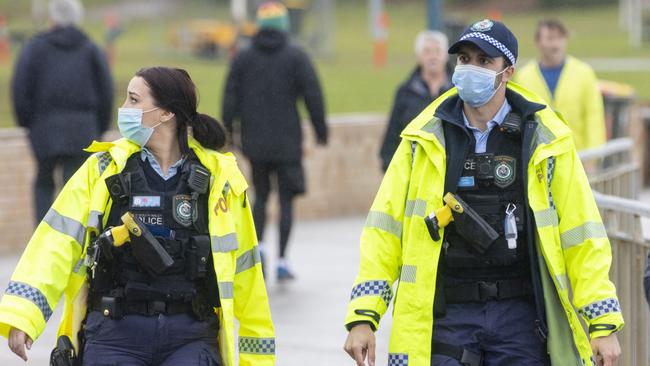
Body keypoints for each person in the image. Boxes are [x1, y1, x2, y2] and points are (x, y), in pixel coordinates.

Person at [343, 19, 623, 366]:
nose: (470, 68)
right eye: (464, 59)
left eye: (483, 61)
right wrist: (362, 317)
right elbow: (384, 233)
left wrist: (602, 324)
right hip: (448, 317)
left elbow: (582, 236)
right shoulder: (424, 139)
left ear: (507, 72)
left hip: (520, 318)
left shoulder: (545, 140)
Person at [0, 66, 275, 365]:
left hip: (191, 338)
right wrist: (24, 314)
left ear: (166, 113)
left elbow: (248, 274)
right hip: (114, 335)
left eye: (133, 100)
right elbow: (55, 242)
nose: (124, 109)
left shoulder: (220, 179)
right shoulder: (102, 169)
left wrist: (257, 358)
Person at [222, 1, 328, 281]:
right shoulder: (296, 56)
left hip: (254, 140)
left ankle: (262, 250)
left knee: (260, 196)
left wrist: (228, 131)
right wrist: (320, 130)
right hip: (287, 141)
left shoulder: (244, 58)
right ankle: (282, 259)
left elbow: (229, 95)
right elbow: (312, 94)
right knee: (286, 200)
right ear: (284, 26)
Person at [11, 0, 114, 224]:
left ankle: (43, 238)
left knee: (43, 182)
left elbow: (20, 89)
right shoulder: (90, 48)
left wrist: (28, 124)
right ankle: (73, 240)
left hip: (43, 128)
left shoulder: (34, 48)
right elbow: (106, 91)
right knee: (75, 185)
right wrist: (99, 128)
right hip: (83, 128)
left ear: (53, 18)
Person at [514, 19, 605, 151]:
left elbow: (594, 117)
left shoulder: (584, 72)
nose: (556, 44)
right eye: (550, 39)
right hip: (538, 156)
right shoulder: (524, 76)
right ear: (538, 42)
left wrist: (595, 154)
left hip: (578, 156)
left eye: (560, 38)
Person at [379, 30, 452, 171]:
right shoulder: (405, 91)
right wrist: (388, 164)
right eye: (427, 51)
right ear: (418, 57)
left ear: (445, 55)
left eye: (437, 51)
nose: (433, 57)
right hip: (414, 169)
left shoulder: (458, 90)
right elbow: (393, 131)